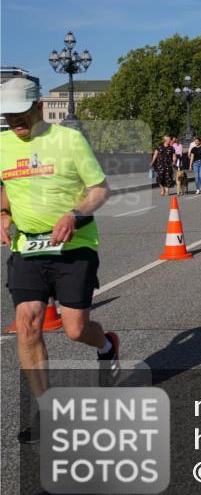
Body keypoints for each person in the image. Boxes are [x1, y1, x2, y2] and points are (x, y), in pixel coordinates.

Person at [1, 78, 119, 443]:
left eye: (20, 114)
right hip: (27, 247)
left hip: (74, 246)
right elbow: (4, 188)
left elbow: (99, 189)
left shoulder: (70, 140)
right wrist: (3, 214)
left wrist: (74, 214)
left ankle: (106, 346)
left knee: (75, 329)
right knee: (28, 324)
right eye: (8, 116)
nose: (14, 122)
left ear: (39, 107)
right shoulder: (3, 144)